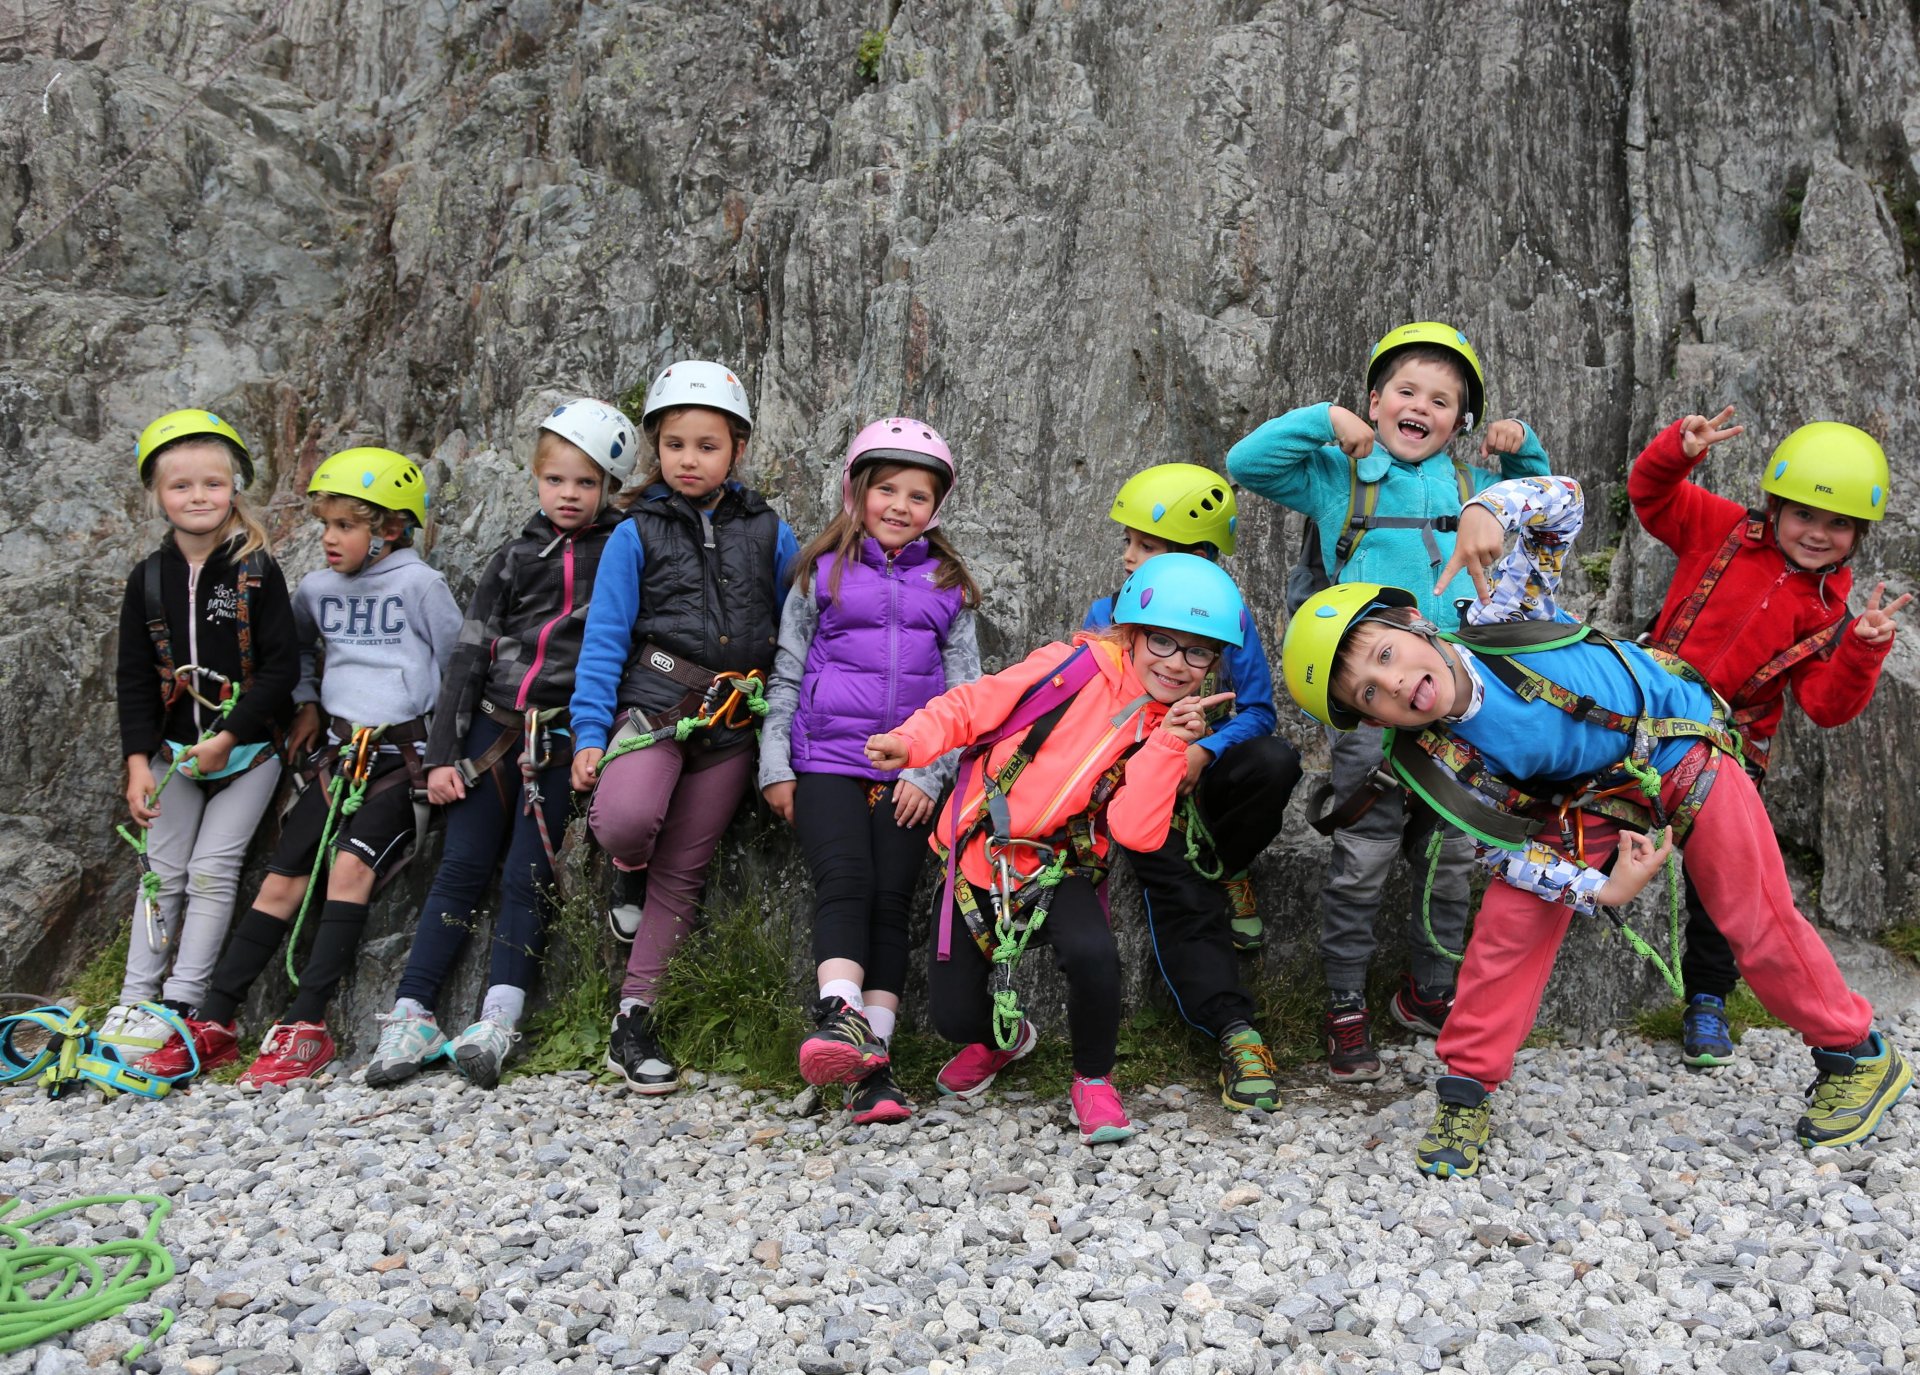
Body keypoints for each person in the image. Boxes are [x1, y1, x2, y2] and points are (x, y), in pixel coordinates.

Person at [1281, 473, 1911, 1178]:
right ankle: (1465, 1090)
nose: (1394, 682)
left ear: (1417, 624)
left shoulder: (1499, 610)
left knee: (1751, 910)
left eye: (1387, 654)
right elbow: (1511, 855)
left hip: (1676, 738)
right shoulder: (1437, 761)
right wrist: (1601, 890)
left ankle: (1855, 1052)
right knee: (1509, 926)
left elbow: (1564, 506)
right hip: (1584, 800)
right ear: (1374, 722)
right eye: (1371, 692)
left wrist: (1490, 507)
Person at [1227, 321, 1551, 1081]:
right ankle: (1345, 1003)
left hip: (1460, 706)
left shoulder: (1473, 487)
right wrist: (1324, 420)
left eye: (1443, 400)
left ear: (1461, 422)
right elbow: (1247, 462)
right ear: (1375, 402)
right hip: (1375, 701)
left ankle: (1429, 992)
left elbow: (1539, 514)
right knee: (1365, 853)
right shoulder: (1342, 474)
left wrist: (1522, 451)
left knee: (1452, 853)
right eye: (1406, 391)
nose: (1422, 407)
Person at [866, 553, 1244, 1144]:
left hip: (1057, 862)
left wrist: (1169, 746)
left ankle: (1093, 1081)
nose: (1177, 664)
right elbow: (975, 706)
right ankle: (1001, 1043)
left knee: (1095, 957)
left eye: (1198, 653)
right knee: (951, 1015)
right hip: (979, 854)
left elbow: (1136, 831)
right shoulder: (1068, 668)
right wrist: (911, 741)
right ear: (1132, 633)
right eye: (1164, 642)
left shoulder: (1165, 725)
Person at [365, 399, 636, 1090]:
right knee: (460, 866)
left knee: (527, 872)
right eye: (555, 480)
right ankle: (413, 1010)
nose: (568, 495)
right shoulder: (513, 557)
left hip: (565, 729)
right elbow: (468, 654)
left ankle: (498, 1017)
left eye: (583, 483)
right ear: (537, 480)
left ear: (608, 486)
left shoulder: (622, 549)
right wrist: (440, 758)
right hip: (490, 726)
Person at [1630, 408, 1906, 1066]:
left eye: (1838, 523)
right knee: (1585, 825)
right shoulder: (1719, 526)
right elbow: (1650, 496)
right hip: (1643, 720)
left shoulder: (1829, 615)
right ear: (1774, 504)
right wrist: (1678, 451)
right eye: (1805, 514)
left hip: (1727, 747)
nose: (1818, 533)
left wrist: (1863, 651)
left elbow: (1825, 705)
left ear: (1858, 535)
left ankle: (1706, 1001)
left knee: (1719, 881)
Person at [182, 448, 461, 1087]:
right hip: (336, 759)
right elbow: (298, 648)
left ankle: (307, 1024)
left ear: (389, 528)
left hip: (400, 759)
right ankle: (216, 1018)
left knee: (350, 867)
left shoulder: (422, 587)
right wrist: (306, 703)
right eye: (325, 526)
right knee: (281, 880)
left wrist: (445, 755)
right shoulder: (316, 588)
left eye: (345, 526)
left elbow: (459, 669)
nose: (329, 539)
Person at [569, 360, 797, 1094]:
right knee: (628, 821)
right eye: (674, 444)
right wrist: (589, 735)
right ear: (655, 450)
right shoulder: (635, 534)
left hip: (733, 719)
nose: (689, 458)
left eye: (706, 444)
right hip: (656, 702)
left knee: (685, 873)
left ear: (736, 449)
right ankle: (624, 873)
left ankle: (633, 1019)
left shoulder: (769, 530)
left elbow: (803, 618)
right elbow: (605, 638)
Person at [760, 418, 982, 1124]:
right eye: (886, 488)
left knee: (890, 899)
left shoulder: (948, 583)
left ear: (935, 508)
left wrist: (931, 774)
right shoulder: (818, 572)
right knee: (846, 879)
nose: (900, 505)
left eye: (918, 495)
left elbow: (964, 692)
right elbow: (787, 672)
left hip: (909, 771)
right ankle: (840, 1020)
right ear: (857, 491)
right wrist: (774, 764)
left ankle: (871, 1068)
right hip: (825, 759)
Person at [1084, 463, 1301, 1111]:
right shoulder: (1111, 614)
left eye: (1145, 545)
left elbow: (1258, 712)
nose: (1129, 555)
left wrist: (1204, 751)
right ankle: (1237, 1031)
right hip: (1141, 789)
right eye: (1130, 542)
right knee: (1183, 893)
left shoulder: (1226, 617)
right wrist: (1154, 759)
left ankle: (1231, 864)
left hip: (1196, 777)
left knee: (1275, 760)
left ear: (1197, 554)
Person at [106, 410, 298, 1077]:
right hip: (172, 756)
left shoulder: (255, 571)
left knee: (215, 870)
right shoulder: (148, 580)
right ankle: (136, 999)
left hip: (246, 756)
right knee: (161, 873)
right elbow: (133, 677)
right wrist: (138, 762)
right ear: (158, 494)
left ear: (235, 487)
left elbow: (282, 669)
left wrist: (228, 736)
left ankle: (185, 1001)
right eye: (181, 486)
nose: (198, 497)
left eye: (212, 484)